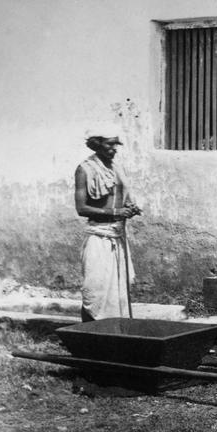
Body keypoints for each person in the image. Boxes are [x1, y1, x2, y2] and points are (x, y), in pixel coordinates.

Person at [74, 125, 141, 322]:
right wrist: (114, 212)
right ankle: (88, 335)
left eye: (115, 145)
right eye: (109, 144)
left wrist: (130, 208)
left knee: (119, 290)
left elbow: (122, 198)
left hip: (117, 235)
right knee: (96, 290)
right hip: (99, 236)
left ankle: (115, 336)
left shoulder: (116, 168)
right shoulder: (84, 170)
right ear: (97, 144)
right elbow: (81, 208)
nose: (114, 149)